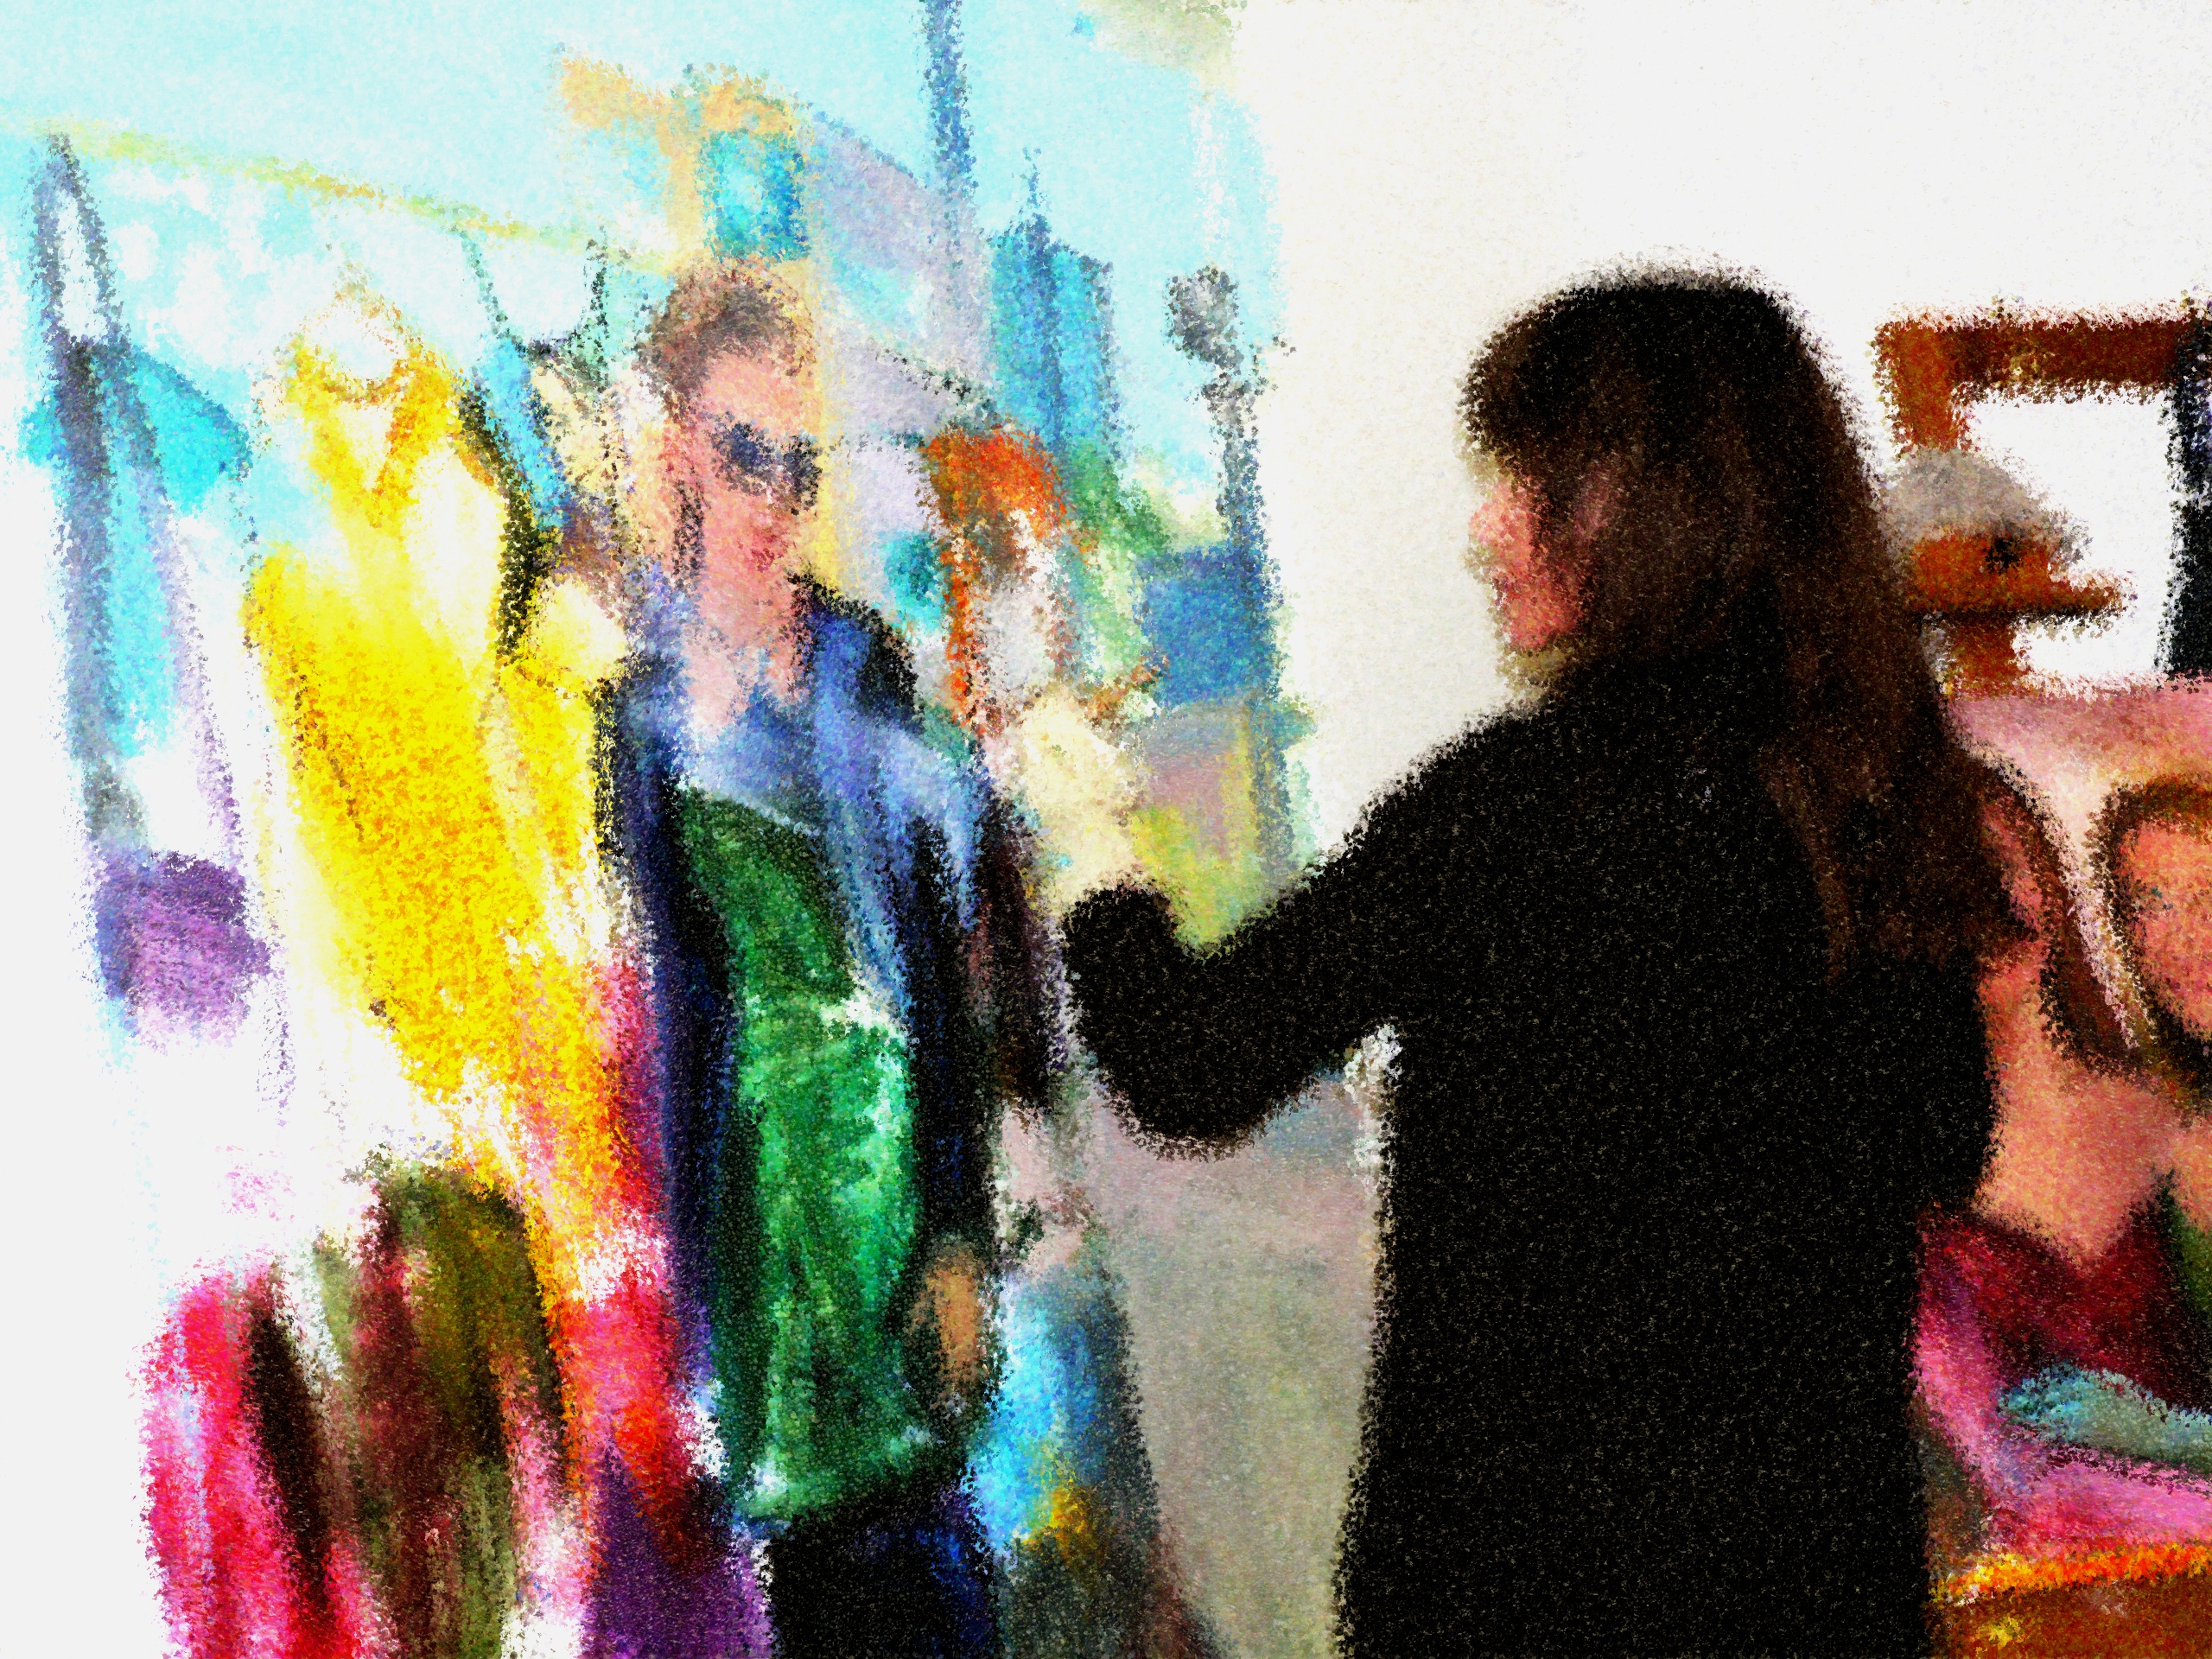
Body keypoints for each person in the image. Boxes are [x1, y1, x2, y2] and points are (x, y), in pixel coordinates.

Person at [1061, 271, 2014, 1654]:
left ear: (1651, 508)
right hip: (1814, 1586)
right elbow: (1944, 1138)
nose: (1488, 527)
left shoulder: (1519, 809)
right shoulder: (1875, 792)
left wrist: (1092, 861)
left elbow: (1192, 1063)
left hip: (1525, 1593)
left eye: (1531, 482)